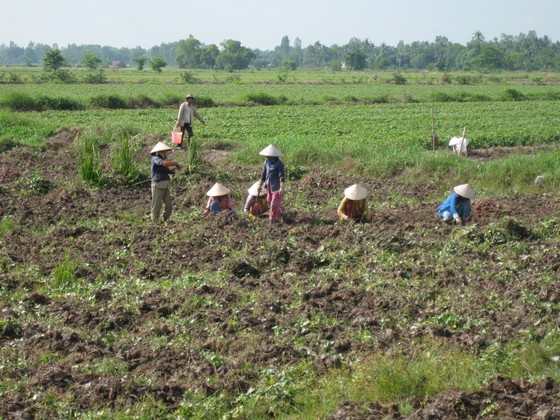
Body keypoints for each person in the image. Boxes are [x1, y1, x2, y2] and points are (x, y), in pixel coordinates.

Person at [150, 141, 181, 223]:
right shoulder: (156, 158)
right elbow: (164, 164)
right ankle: (155, 221)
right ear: (160, 152)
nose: (166, 153)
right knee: (156, 204)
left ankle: (165, 220)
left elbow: (168, 170)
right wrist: (175, 163)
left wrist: (174, 171)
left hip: (164, 184)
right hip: (157, 184)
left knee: (168, 205)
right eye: (165, 151)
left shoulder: (162, 160)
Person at [256, 144, 285, 224]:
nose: (267, 157)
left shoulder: (279, 163)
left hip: (277, 187)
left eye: (268, 155)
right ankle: (280, 215)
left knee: (274, 205)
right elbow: (263, 174)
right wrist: (259, 186)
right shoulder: (266, 162)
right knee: (269, 202)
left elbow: (281, 176)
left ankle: (271, 221)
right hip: (269, 185)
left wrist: (282, 188)